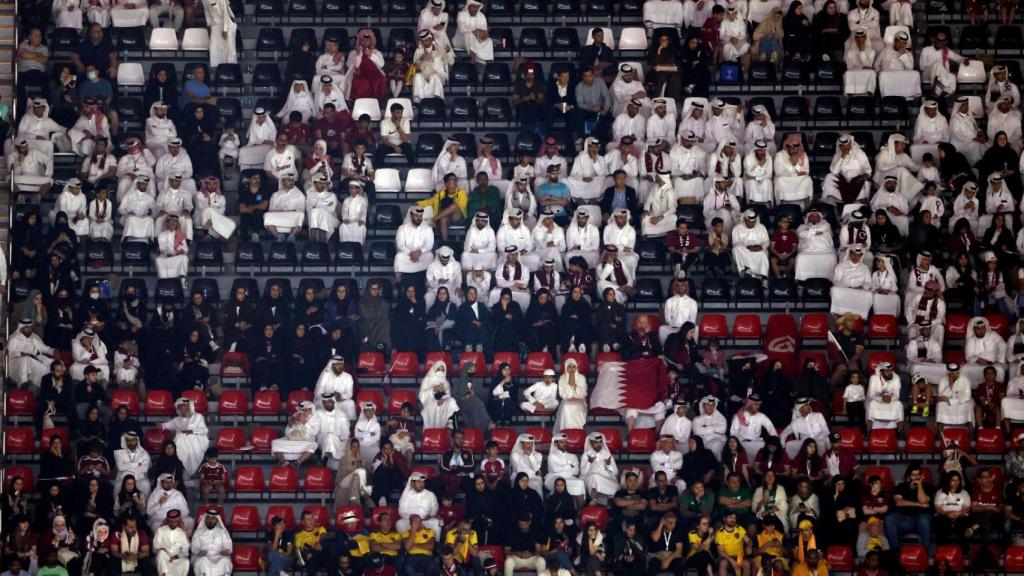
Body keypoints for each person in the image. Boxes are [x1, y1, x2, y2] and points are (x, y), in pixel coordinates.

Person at [885, 465, 932, 552]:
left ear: (921, 476)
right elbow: (898, 502)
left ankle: (925, 551)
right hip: (904, 520)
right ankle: (895, 551)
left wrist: (919, 485)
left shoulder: (928, 487)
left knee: (923, 518)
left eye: (918, 475)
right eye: (914, 475)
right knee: (889, 518)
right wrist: (919, 505)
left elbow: (923, 500)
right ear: (908, 477)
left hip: (920, 520)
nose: (916, 477)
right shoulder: (901, 487)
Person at [159, 397, 209, 476]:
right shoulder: (177, 420)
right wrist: (161, 426)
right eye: (180, 406)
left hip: (197, 440)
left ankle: (187, 470)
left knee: (180, 437)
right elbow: (166, 425)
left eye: (185, 406)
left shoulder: (198, 416)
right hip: (182, 441)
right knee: (180, 437)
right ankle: (182, 469)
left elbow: (204, 430)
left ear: (189, 406)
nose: (183, 408)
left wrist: (192, 431)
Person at [191, 509, 233, 576]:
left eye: (213, 519)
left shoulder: (222, 532)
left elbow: (228, 546)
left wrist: (226, 551)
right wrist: (199, 552)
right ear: (205, 519)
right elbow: (194, 548)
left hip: (219, 557)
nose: (210, 520)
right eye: (208, 518)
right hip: (204, 557)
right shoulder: (198, 532)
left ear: (217, 520)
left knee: (226, 560)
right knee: (200, 561)